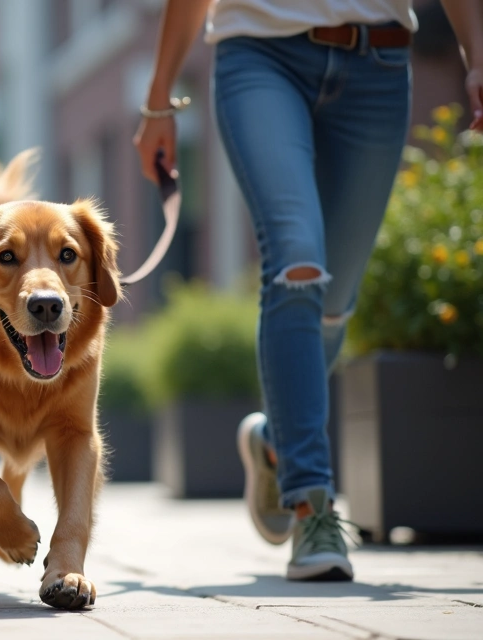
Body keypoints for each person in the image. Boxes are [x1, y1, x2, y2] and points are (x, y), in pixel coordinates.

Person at [135, 0, 483, 581]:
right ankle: (311, 505)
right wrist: (159, 99)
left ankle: (276, 440)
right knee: (297, 262)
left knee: (334, 301)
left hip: (380, 62)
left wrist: (477, 54)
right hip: (260, 55)